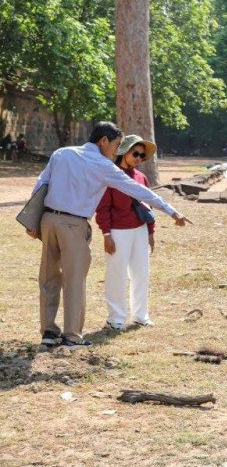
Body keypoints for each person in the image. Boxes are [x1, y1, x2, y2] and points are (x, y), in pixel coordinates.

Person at [27, 122, 191, 348]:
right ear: (103, 141)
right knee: (74, 280)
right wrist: (171, 211)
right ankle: (72, 336)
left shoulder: (62, 153)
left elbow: (41, 183)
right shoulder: (103, 165)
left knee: (48, 277)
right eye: (116, 145)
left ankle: (48, 332)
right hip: (73, 224)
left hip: (48, 220)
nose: (117, 151)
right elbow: (138, 190)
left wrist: (32, 219)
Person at [96, 135, 158, 330]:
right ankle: (116, 318)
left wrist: (150, 232)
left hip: (140, 229)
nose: (139, 158)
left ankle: (140, 315)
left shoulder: (141, 177)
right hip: (118, 231)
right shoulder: (111, 175)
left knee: (141, 273)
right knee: (116, 274)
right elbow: (103, 208)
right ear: (124, 151)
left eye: (142, 156)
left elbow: (148, 205)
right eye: (135, 153)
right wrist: (106, 234)